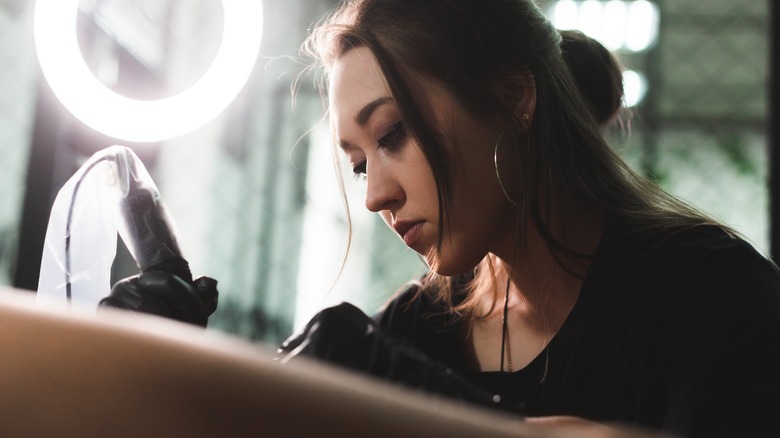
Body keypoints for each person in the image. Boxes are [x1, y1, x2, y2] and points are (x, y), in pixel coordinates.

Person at [101, 1, 780, 437]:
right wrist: (170, 378)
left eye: (392, 133)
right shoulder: (417, 329)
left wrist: (442, 415)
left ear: (513, 99)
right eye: (359, 163)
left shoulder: (711, 295)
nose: (374, 197)